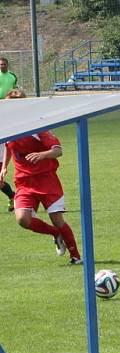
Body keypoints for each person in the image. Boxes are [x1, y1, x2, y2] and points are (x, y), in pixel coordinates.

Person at [0, 90, 82, 265]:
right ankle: (55, 234)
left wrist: (42, 154)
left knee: (57, 219)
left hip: (46, 180)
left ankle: (76, 257)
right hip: (23, 182)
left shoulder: (38, 127)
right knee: (22, 219)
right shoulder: (7, 126)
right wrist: (5, 167)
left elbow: (58, 150)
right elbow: (8, 145)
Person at [0, 57, 19, 211]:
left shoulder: (12, 76)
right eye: (0, 64)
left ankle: (14, 196)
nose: (2, 66)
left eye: (4, 63)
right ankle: (13, 196)